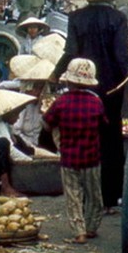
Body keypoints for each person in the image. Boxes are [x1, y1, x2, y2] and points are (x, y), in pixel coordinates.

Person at [52, 0, 128, 209]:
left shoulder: (77, 18)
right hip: (111, 90)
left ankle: (86, 194)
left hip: (81, 87)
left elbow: (70, 51)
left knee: (83, 138)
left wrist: (55, 75)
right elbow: (122, 57)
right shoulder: (118, 18)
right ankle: (111, 195)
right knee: (111, 141)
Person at [43, 58, 106, 243]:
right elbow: (103, 125)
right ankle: (92, 227)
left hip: (69, 158)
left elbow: (47, 123)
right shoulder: (96, 102)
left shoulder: (61, 102)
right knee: (94, 195)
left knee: (73, 196)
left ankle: (79, 231)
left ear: (69, 81)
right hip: (92, 157)